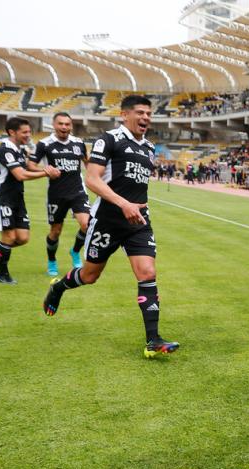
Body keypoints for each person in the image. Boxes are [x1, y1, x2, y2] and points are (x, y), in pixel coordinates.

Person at [42, 95, 179, 358]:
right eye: (140, 112)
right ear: (124, 115)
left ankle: (153, 340)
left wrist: (135, 206)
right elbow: (92, 179)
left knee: (147, 272)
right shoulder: (109, 139)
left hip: (138, 221)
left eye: (148, 113)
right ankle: (58, 288)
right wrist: (123, 203)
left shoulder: (149, 147)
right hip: (107, 219)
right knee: (90, 276)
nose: (146, 118)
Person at [0, 117, 59, 284]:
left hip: (17, 199)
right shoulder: (5, 149)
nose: (28, 135)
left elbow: (28, 167)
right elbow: (20, 174)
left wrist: (44, 168)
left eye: (29, 132)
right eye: (24, 132)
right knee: (9, 236)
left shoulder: (20, 149)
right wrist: (46, 173)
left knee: (23, 238)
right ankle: (2, 274)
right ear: (12, 132)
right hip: (1, 197)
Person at [31, 112, 90, 277]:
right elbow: (30, 165)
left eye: (67, 124)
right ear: (54, 125)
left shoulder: (79, 143)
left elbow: (88, 163)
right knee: (56, 231)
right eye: (60, 124)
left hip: (78, 191)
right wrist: (45, 170)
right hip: (56, 194)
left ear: (71, 126)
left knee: (87, 225)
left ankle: (75, 251)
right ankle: (51, 260)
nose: (64, 127)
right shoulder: (44, 144)